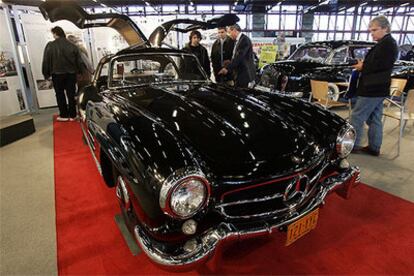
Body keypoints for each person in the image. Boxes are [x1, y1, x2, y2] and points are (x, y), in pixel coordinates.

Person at [351, 16, 398, 156]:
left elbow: (380, 65)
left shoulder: (387, 44)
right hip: (377, 87)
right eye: (370, 30)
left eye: (375, 30)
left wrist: (362, 67)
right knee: (374, 119)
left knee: (357, 117)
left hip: (373, 88)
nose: (372, 33)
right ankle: (374, 147)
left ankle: (353, 145)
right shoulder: (385, 43)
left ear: (385, 28)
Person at [42, 26, 83, 122]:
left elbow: (46, 61)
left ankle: (64, 115)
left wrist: (46, 74)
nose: (53, 36)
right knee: (71, 94)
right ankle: (73, 115)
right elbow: (79, 62)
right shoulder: (72, 46)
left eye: (53, 34)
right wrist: (80, 72)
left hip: (57, 74)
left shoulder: (50, 46)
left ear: (56, 33)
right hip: (71, 74)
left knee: (60, 94)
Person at [218, 24, 255, 88]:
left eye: (229, 32)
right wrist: (230, 62)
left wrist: (227, 68)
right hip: (239, 74)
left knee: (242, 95)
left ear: (234, 30)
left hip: (244, 75)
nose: (229, 35)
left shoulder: (244, 40)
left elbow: (239, 57)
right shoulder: (238, 40)